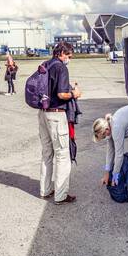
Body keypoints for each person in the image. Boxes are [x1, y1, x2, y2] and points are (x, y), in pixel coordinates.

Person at [38, 41, 79, 205]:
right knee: (63, 155)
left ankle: (45, 189)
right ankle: (61, 195)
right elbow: (62, 94)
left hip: (42, 113)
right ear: (62, 53)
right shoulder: (61, 67)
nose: (69, 59)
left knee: (47, 153)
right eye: (69, 55)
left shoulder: (46, 64)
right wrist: (75, 93)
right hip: (56, 114)